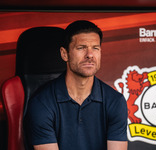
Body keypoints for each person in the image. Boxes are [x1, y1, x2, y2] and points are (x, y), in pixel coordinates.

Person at [24, 20, 128, 150]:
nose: (90, 55)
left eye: (95, 48)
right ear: (64, 54)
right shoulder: (41, 103)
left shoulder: (115, 101)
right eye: (81, 48)